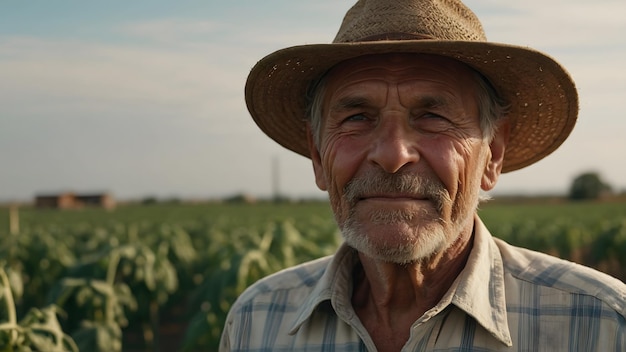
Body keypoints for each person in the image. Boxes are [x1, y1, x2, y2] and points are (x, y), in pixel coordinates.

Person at [220, 0, 626, 350]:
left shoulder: (602, 325)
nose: (392, 155)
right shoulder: (257, 320)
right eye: (358, 117)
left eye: (432, 116)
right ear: (316, 153)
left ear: (492, 156)